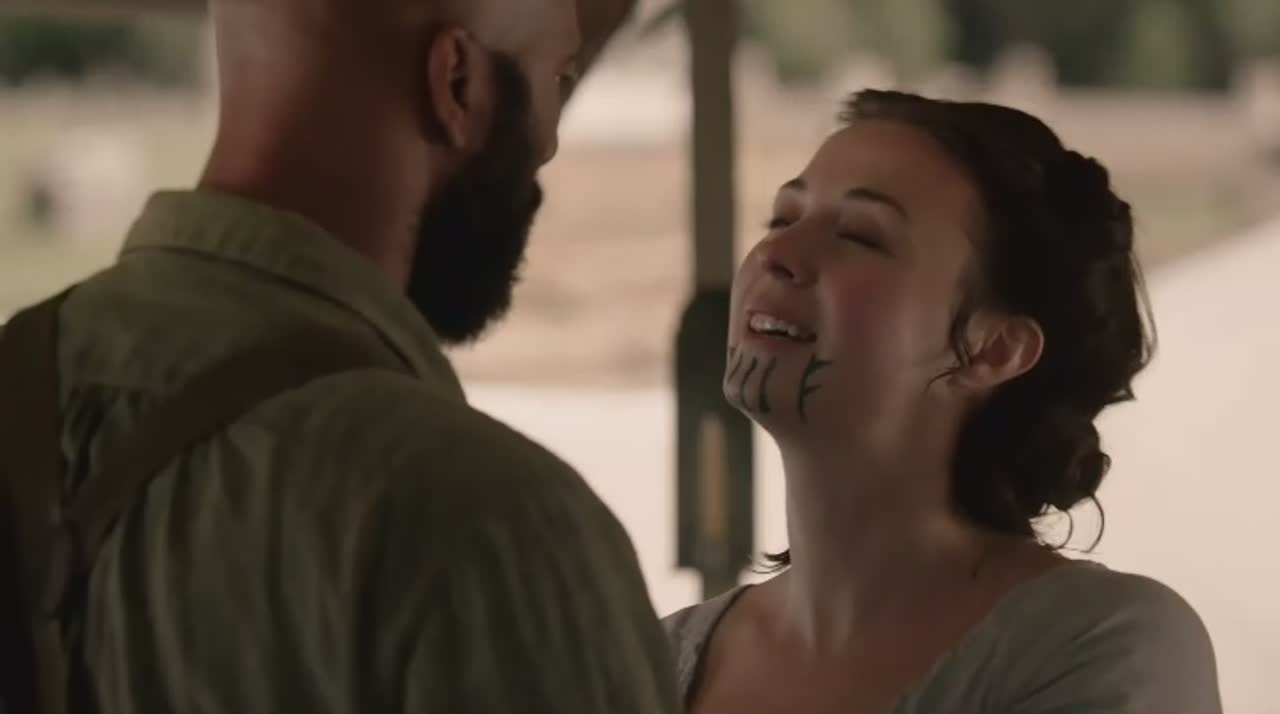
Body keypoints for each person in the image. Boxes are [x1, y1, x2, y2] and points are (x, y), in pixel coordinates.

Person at [8, 0, 678, 711]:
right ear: (457, 84)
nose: (546, 144)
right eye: (557, 77)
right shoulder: (500, 532)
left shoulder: (21, 389)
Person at [663, 90, 1222, 714]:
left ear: (994, 350)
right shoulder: (653, 658)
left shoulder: (1104, 644)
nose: (776, 255)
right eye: (781, 219)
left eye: (860, 235)